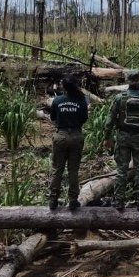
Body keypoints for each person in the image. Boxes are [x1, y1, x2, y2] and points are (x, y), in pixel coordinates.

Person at [103, 70, 139, 211]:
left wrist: (107, 138)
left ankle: (119, 202)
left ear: (127, 81)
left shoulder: (119, 98)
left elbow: (109, 120)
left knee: (121, 170)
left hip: (123, 136)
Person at [48, 75, 89, 211]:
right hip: (76, 136)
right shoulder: (82, 100)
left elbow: (53, 117)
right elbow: (84, 118)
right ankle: (73, 200)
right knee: (73, 170)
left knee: (57, 169)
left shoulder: (57, 100)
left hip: (60, 136)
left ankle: (53, 200)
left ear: (63, 87)